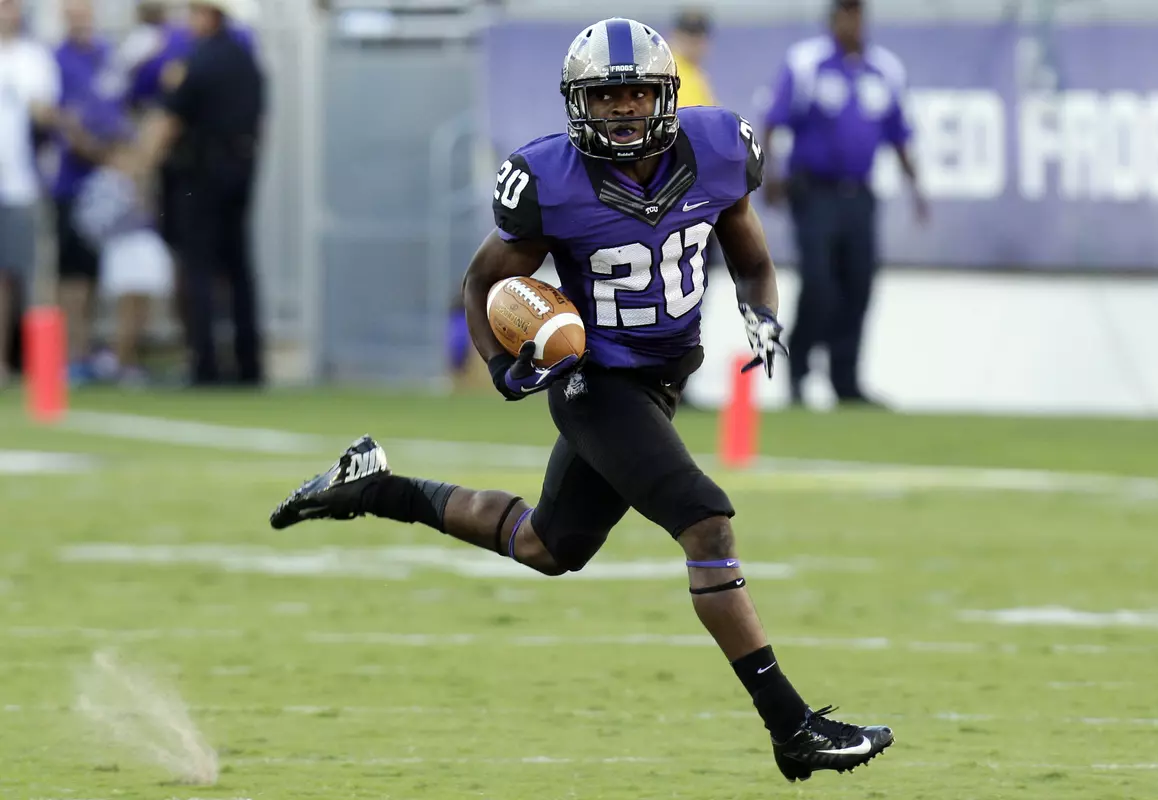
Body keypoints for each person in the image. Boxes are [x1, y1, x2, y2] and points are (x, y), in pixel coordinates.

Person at [269, 17, 893, 783]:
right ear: (578, 105)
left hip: (660, 383)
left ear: (664, 95)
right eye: (606, 97)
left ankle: (375, 486)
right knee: (707, 524)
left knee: (547, 546)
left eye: (635, 93)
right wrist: (502, 366)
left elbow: (751, 255)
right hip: (596, 381)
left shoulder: (720, 149)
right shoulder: (550, 181)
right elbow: (480, 282)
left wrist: (761, 312)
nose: (624, 109)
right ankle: (793, 727)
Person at [763, 0, 927, 409]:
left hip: (860, 195)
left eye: (857, 13)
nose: (852, 21)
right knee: (819, 284)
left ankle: (846, 380)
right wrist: (771, 174)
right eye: (844, 13)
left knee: (858, 285)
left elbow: (899, 134)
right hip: (814, 192)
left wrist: (917, 189)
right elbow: (775, 120)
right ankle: (798, 371)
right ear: (832, 19)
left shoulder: (884, 69)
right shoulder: (807, 63)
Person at [132, 0, 264, 387]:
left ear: (210, 16)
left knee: (200, 268)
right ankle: (249, 364)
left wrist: (140, 164)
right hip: (241, 171)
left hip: (202, 176)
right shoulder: (247, 62)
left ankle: (205, 363)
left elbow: (170, 120)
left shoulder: (198, 61)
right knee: (239, 269)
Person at [63, 96, 173, 385]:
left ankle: (129, 358)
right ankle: (115, 359)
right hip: (122, 248)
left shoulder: (136, 181)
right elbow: (93, 222)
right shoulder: (103, 184)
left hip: (142, 246)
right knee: (124, 307)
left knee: (142, 306)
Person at [0, 0, 59, 388]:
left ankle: (7, 362)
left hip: (16, 182)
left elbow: (46, 115)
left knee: (12, 275)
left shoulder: (33, 58)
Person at [52, 0, 109, 385]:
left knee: (98, 271)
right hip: (72, 180)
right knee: (71, 271)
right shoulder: (54, 58)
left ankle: (89, 349)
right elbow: (60, 119)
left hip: (107, 184)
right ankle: (71, 353)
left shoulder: (107, 55)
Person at [670, 8, 716, 108]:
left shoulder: (699, 76)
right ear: (675, 35)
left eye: (698, 35)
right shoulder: (669, 71)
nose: (693, 41)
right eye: (688, 35)